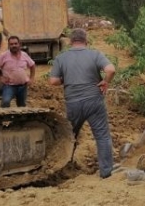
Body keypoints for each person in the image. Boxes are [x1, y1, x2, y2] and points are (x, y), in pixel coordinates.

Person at [48, 28, 116, 178]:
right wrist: (105, 82)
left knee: (70, 136)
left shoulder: (62, 57)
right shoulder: (95, 54)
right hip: (94, 101)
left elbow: (53, 81)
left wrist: (66, 79)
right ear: (86, 40)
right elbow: (111, 69)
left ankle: (65, 169)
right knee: (102, 136)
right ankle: (106, 172)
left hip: (73, 102)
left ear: (71, 42)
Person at [0, 36, 36, 107]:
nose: (14, 45)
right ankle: (5, 117)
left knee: (22, 106)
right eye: (11, 44)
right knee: (5, 102)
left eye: (15, 43)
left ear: (19, 44)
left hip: (23, 86)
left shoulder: (24, 55)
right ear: (9, 45)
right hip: (9, 86)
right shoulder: (4, 56)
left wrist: (32, 78)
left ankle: (20, 118)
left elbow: (32, 65)